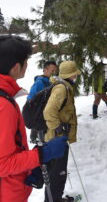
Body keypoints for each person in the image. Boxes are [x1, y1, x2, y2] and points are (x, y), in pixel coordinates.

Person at [0, 35, 68, 202]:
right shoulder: (3, 105)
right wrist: (42, 154)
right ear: (16, 67)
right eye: (25, 61)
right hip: (7, 194)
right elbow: (2, 164)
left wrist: (30, 167)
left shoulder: (6, 98)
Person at [43, 60, 81, 202]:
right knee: (57, 174)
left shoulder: (65, 87)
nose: (76, 78)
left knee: (59, 173)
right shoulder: (61, 89)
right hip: (56, 139)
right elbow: (49, 112)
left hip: (59, 138)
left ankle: (56, 198)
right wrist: (58, 127)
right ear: (69, 75)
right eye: (74, 75)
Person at [27, 61, 57, 143]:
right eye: (52, 70)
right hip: (39, 110)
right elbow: (31, 97)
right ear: (45, 70)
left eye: (54, 71)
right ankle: (40, 141)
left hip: (46, 109)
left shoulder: (50, 82)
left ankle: (34, 138)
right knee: (41, 125)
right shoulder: (39, 82)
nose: (53, 73)